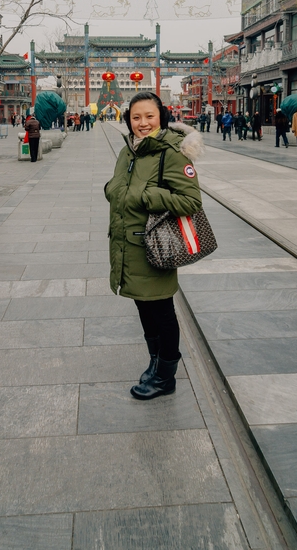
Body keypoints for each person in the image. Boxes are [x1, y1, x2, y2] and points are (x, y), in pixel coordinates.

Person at [105, 92, 203, 401]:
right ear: (128, 120)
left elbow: (191, 201)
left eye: (150, 116)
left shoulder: (172, 154)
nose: (143, 123)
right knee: (143, 308)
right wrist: (111, 189)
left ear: (161, 116)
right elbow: (118, 187)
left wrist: (148, 197)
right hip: (126, 246)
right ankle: (155, 363)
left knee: (161, 311)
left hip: (154, 248)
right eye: (136, 117)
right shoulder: (128, 153)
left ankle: (165, 377)